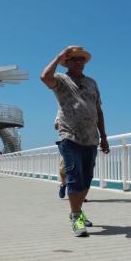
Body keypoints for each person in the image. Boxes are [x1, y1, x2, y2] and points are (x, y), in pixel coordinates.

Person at [40, 46, 109, 237]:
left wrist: (103, 136)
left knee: (86, 178)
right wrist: (58, 56)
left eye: (81, 59)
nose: (79, 62)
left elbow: (98, 110)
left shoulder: (92, 83)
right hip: (69, 136)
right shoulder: (62, 80)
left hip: (91, 138)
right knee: (73, 178)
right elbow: (44, 77)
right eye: (74, 59)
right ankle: (77, 217)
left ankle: (75, 211)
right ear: (67, 62)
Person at [55, 116, 67, 199]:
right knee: (64, 167)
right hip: (64, 141)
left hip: (82, 141)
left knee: (79, 166)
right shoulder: (63, 108)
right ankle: (63, 184)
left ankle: (78, 193)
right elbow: (56, 126)